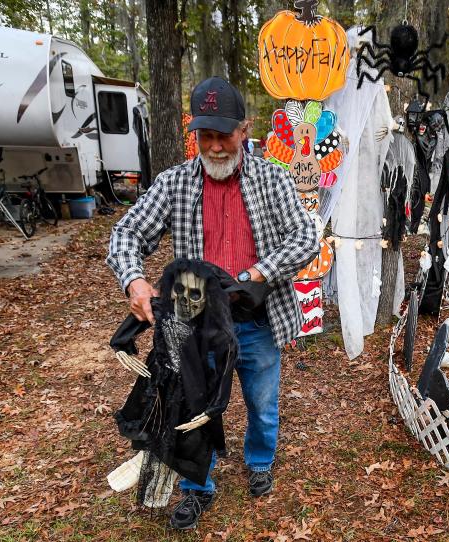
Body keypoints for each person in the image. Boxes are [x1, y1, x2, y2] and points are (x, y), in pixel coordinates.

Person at [106, 76, 318, 529]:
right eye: (206, 136)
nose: (216, 146)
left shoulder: (272, 178)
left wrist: (257, 273)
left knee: (262, 402)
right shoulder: (175, 183)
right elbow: (126, 234)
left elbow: (306, 236)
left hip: (257, 316)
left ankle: (259, 463)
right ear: (194, 133)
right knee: (190, 402)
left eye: (224, 134)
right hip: (195, 318)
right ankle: (196, 485)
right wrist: (136, 284)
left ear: (245, 129)